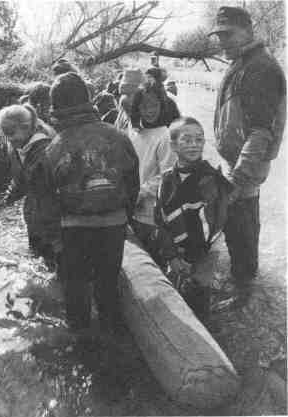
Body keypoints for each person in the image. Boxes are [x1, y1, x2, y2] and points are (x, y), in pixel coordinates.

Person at [41, 72, 140, 333]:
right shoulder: (118, 136)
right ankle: (112, 332)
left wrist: (54, 240)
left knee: (76, 288)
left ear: (56, 108)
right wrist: (125, 216)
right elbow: (133, 183)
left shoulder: (54, 147)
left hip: (73, 229)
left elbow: (47, 198)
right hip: (114, 224)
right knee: (108, 283)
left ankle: (81, 340)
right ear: (88, 99)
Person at [208, 6, 286, 304]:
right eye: (219, 35)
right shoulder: (245, 61)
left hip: (245, 168)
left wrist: (237, 181)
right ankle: (243, 290)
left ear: (248, 31)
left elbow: (261, 132)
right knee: (239, 228)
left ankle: (244, 296)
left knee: (242, 230)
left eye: (228, 34)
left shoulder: (260, 68)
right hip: (238, 163)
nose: (222, 41)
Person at [154, 117, 232, 322]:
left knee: (199, 289)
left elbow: (214, 225)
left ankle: (205, 326)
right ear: (173, 146)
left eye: (199, 139)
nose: (194, 145)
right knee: (175, 290)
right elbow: (160, 220)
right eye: (186, 140)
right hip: (178, 247)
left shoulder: (210, 179)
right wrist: (171, 255)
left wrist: (189, 257)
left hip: (205, 248)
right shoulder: (166, 180)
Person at [0, 104, 61, 267]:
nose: (9, 138)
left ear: (27, 127)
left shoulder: (46, 149)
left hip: (52, 221)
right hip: (36, 218)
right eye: (5, 134)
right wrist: (8, 198)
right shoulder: (19, 147)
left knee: (55, 263)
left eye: (11, 133)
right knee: (41, 261)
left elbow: (57, 190)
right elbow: (20, 180)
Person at [129, 70, 177, 266]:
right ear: (137, 108)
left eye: (154, 105)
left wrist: (141, 193)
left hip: (154, 213)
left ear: (162, 105)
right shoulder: (135, 133)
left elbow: (168, 174)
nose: (149, 111)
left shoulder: (165, 135)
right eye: (144, 106)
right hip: (133, 208)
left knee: (156, 259)